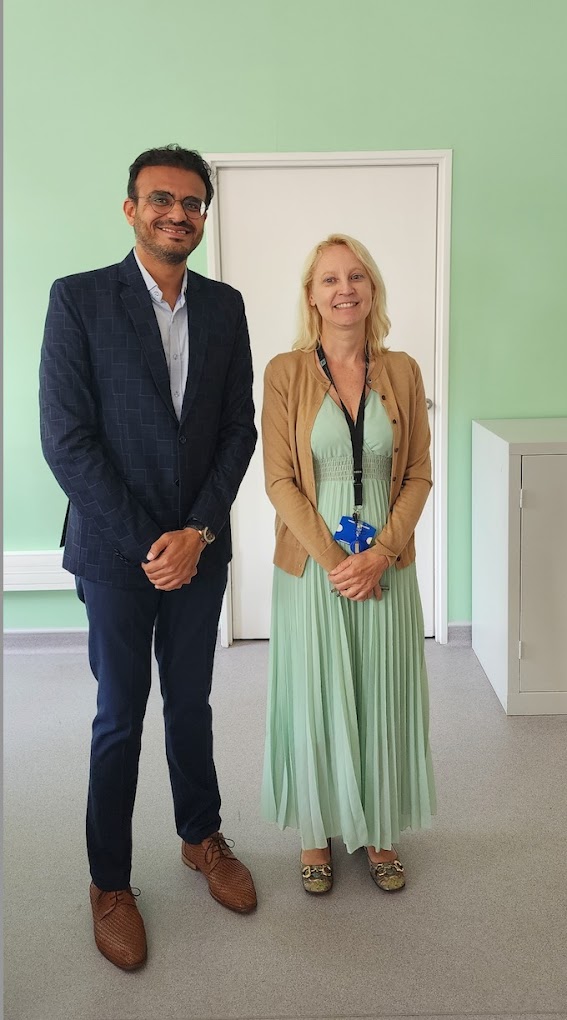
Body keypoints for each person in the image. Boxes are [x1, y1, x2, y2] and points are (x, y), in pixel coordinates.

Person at [39, 144, 258, 970]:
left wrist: (196, 531)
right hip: (114, 552)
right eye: (161, 199)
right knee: (119, 716)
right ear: (130, 208)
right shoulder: (79, 299)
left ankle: (201, 836)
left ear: (203, 216)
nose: (177, 214)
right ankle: (109, 882)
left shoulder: (226, 306)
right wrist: (148, 543)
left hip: (199, 549)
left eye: (192, 203)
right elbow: (67, 439)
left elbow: (237, 429)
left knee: (191, 703)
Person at [261, 233, 436, 894]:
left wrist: (380, 553)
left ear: (372, 289)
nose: (344, 289)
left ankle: (380, 829)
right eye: (330, 279)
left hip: (387, 562)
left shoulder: (402, 370)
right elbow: (280, 480)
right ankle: (316, 831)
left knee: (380, 691)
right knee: (316, 693)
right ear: (311, 295)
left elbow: (418, 473)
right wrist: (340, 563)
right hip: (314, 566)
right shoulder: (285, 372)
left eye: (356, 276)